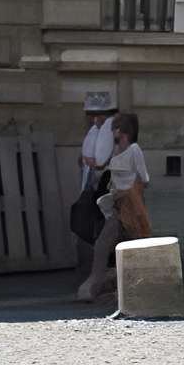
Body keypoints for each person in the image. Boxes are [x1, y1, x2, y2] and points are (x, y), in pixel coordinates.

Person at [73, 112, 154, 303]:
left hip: (129, 206)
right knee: (110, 245)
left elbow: (145, 178)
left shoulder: (134, 150)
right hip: (116, 204)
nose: (111, 133)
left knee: (112, 245)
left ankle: (97, 288)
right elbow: (101, 165)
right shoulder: (116, 150)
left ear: (121, 131)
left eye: (114, 129)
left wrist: (130, 191)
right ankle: (106, 288)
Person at [75, 92, 117, 276]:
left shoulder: (109, 129)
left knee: (102, 226)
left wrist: (88, 160)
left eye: (97, 114)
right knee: (92, 224)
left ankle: (103, 269)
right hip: (93, 185)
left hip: (104, 184)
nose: (93, 118)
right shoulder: (95, 130)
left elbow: (99, 161)